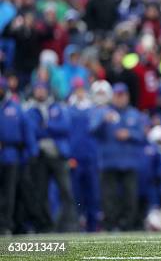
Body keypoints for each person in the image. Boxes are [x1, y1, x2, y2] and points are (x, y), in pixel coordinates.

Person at [90, 83, 146, 231]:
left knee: (130, 197)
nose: (120, 99)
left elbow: (142, 136)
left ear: (127, 96)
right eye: (117, 95)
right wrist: (103, 121)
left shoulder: (134, 114)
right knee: (109, 198)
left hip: (129, 161)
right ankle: (110, 225)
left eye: (122, 95)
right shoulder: (103, 112)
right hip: (109, 162)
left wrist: (129, 134)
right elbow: (92, 131)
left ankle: (127, 225)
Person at [24, 81, 77, 232]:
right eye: (38, 89)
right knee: (41, 192)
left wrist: (47, 126)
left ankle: (69, 225)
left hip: (58, 154)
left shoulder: (57, 107)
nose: (40, 92)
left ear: (48, 91)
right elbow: (32, 130)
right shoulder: (30, 109)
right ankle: (45, 225)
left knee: (66, 190)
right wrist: (50, 128)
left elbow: (65, 127)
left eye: (42, 89)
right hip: (40, 155)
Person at [68, 78, 103, 232]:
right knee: (77, 193)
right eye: (77, 89)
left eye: (81, 88)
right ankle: (78, 222)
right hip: (76, 156)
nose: (80, 91)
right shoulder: (69, 109)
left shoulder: (92, 109)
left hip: (91, 156)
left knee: (93, 192)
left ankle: (93, 223)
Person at [0, 77, 32, 234]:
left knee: (10, 193)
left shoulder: (15, 107)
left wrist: (30, 153)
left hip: (11, 155)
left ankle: (6, 225)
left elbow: (26, 131)